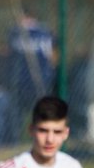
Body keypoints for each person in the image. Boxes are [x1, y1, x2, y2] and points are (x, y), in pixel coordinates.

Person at [5, 9, 56, 142]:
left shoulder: (17, 33)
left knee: (17, 113)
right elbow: (51, 56)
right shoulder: (45, 32)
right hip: (42, 78)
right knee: (41, 111)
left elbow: (10, 53)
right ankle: (43, 136)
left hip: (21, 80)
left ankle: (15, 139)